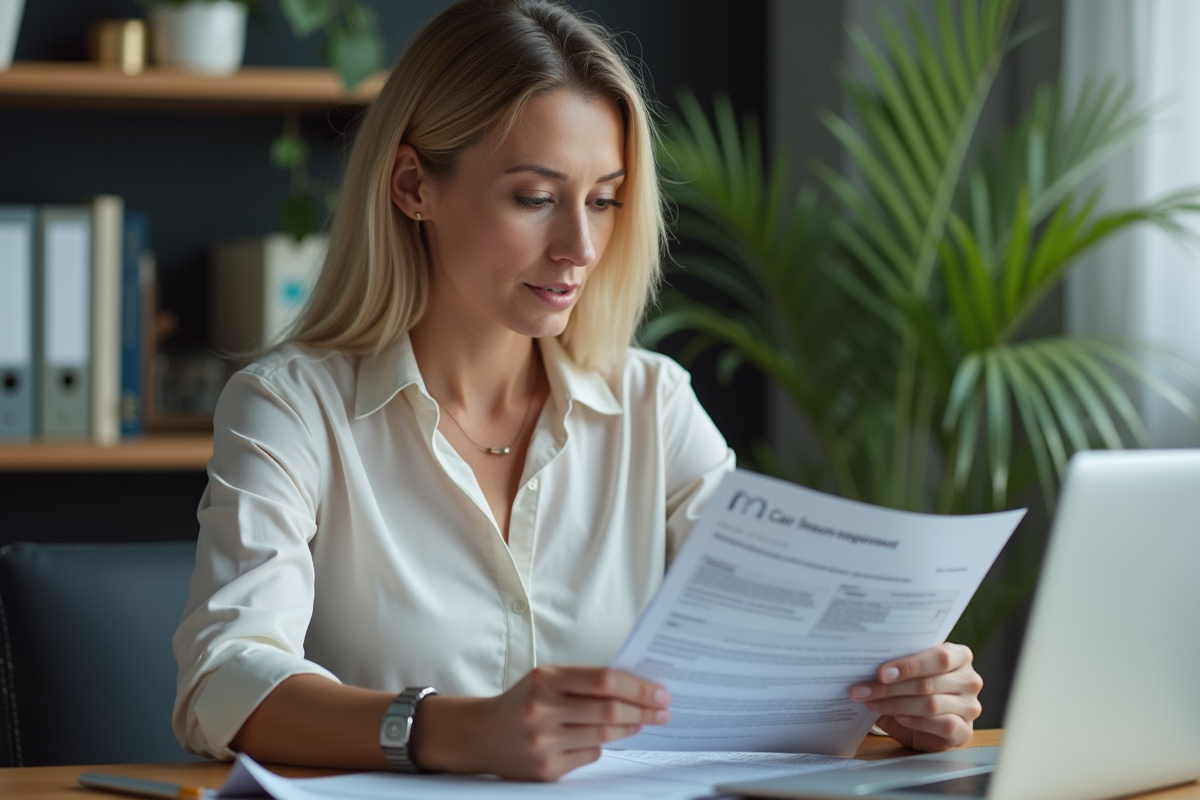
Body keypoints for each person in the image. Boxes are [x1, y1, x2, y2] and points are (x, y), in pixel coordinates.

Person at [173, 0, 984, 782]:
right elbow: (225, 681)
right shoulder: (288, 409)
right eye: (535, 198)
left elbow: (773, 635)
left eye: (603, 200)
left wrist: (894, 694)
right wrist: (460, 729)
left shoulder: (652, 404)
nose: (581, 246)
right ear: (413, 185)